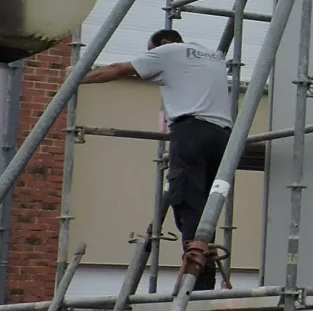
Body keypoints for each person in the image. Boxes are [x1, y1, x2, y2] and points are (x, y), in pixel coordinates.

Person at [86, 27, 234, 288]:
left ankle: (196, 281)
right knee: (205, 206)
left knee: (187, 202)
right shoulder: (211, 55)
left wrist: (77, 77)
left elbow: (118, 69)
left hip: (192, 132)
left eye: (150, 51)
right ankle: (205, 275)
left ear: (162, 43)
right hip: (222, 136)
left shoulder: (167, 52)